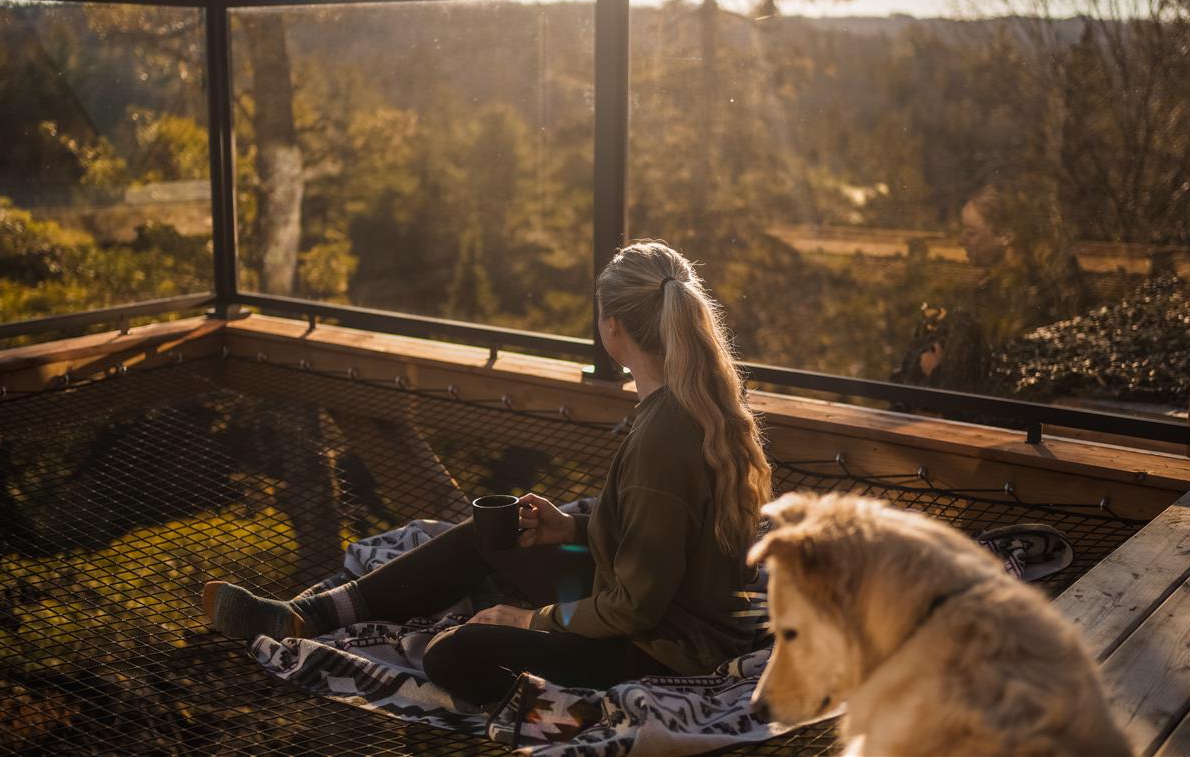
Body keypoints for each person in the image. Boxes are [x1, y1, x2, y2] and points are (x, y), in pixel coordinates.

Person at [201, 240, 772, 706]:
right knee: (486, 535)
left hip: (657, 646)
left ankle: (550, 717)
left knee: (453, 653)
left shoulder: (662, 435)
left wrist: (530, 620)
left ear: (613, 328)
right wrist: (570, 530)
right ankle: (303, 615)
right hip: (649, 606)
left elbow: (635, 607)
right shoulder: (689, 404)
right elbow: (662, 520)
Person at [895, 176, 1089, 395]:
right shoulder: (1004, 290)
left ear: (1006, 235)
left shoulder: (1020, 297)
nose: (962, 241)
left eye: (971, 233)